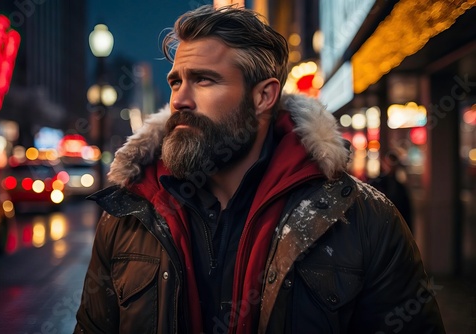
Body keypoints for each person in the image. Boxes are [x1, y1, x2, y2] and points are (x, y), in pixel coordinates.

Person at [74, 5, 445, 334]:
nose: (179, 100)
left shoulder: (363, 219)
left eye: (203, 79)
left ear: (263, 96)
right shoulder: (131, 215)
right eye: (176, 81)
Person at [369, 152, 414, 231]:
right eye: (389, 164)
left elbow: (407, 212)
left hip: (395, 226)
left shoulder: (400, 187)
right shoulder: (376, 183)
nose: (390, 167)